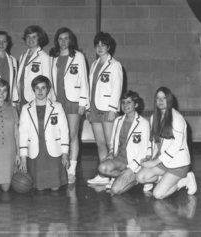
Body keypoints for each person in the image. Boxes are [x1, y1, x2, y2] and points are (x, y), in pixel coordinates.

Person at [136, 87, 197, 199]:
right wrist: (149, 156)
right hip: (163, 161)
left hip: (178, 163)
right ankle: (165, 178)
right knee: (140, 177)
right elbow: (152, 140)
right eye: (158, 98)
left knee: (158, 194)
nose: (160, 101)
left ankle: (184, 180)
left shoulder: (177, 118)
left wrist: (154, 163)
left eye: (164, 98)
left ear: (169, 100)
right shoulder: (154, 117)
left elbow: (176, 145)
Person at [49, 27, 89, 184]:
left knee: (72, 135)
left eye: (66, 38)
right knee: (58, 135)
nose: (63, 41)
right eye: (60, 38)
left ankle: (71, 169)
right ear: (57, 40)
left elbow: (84, 79)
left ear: (71, 40)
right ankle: (60, 168)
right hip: (57, 101)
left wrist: (83, 103)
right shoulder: (53, 57)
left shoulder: (78, 56)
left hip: (73, 101)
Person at [19, 75, 69, 191]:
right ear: (33, 90)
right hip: (35, 153)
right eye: (37, 88)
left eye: (43, 88)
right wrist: (23, 158)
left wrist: (65, 153)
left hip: (53, 152)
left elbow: (64, 131)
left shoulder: (57, 106)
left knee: (55, 188)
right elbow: (23, 134)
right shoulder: (26, 108)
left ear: (48, 89)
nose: (40, 91)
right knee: (39, 189)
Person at [86, 32, 123, 185]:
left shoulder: (115, 65)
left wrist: (113, 109)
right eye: (97, 45)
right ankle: (103, 174)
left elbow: (117, 88)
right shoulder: (94, 65)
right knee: (100, 143)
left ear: (109, 47)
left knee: (111, 145)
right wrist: (88, 107)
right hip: (94, 108)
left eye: (103, 45)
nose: (100, 48)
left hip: (107, 109)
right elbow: (90, 88)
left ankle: (115, 176)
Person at [97, 91, 151, 194]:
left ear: (136, 104)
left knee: (115, 190)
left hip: (135, 163)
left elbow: (144, 151)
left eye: (129, 102)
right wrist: (111, 154)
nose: (125, 105)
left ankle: (136, 179)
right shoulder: (118, 120)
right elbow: (113, 143)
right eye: (123, 102)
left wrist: (131, 168)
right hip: (120, 160)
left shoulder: (144, 124)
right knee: (102, 167)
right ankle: (125, 178)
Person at [17, 25, 51, 108]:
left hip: (36, 98)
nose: (30, 40)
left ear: (39, 39)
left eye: (34, 37)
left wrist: (46, 101)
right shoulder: (22, 56)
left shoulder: (44, 57)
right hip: (21, 98)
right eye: (28, 37)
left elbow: (47, 81)